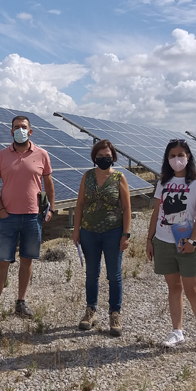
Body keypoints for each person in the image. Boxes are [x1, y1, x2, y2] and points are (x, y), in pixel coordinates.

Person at [0, 116, 55, 326]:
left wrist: (51, 209)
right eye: (16, 127)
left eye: (23, 127)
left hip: (32, 217)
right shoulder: (1, 156)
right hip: (8, 217)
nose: (20, 130)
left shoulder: (42, 155)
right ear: (11, 132)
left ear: (31, 131)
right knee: (2, 262)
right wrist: (1, 210)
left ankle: (21, 301)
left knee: (27, 260)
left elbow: (48, 184)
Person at [145, 139, 196, 353]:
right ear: (167, 159)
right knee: (173, 288)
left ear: (189, 156)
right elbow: (157, 213)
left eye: (181, 154)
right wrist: (150, 239)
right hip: (164, 241)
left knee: (193, 290)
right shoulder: (163, 183)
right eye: (173, 155)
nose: (177, 159)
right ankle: (177, 331)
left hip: (187, 243)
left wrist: (193, 241)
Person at [72, 140, 131, 336]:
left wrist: (125, 234)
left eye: (107, 156)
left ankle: (115, 313)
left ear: (113, 157)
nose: (103, 159)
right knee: (91, 273)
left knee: (113, 275)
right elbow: (80, 204)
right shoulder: (87, 177)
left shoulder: (119, 177)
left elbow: (126, 207)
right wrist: (76, 230)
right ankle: (91, 310)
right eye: (99, 156)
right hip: (89, 232)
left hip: (113, 232)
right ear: (94, 158)